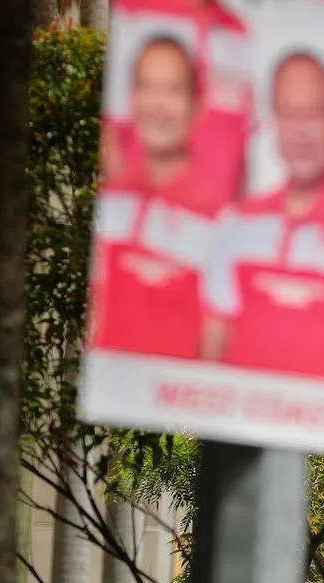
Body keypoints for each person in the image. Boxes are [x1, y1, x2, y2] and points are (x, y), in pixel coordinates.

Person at [202, 52, 324, 381]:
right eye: (290, 112)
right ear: (274, 119)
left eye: (314, 113)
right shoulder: (237, 223)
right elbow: (211, 345)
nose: (301, 130)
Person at [89, 36, 219, 358]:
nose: (158, 104)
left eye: (173, 90)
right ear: (132, 98)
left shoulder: (217, 214)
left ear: (195, 104)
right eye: (147, 87)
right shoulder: (114, 197)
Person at [101, 0, 251, 206]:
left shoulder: (235, 31)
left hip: (204, 207)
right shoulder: (133, 10)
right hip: (132, 196)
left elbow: (237, 137)